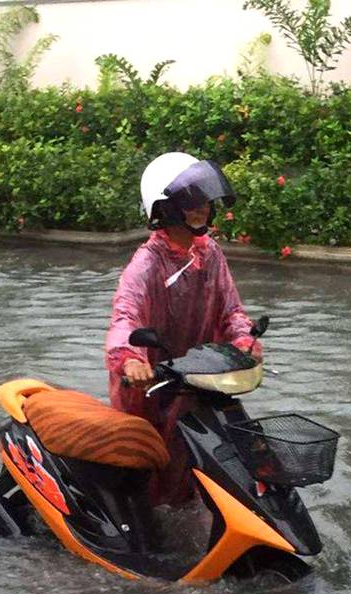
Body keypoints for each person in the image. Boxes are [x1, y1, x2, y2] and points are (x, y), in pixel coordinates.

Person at [104, 152, 261, 506]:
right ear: (166, 208)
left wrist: (243, 339)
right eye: (191, 201)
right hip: (152, 385)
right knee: (151, 476)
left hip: (201, 379)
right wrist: (129, 358)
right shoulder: (148, 262)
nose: (202, 208)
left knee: (204, 466)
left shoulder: (210, 253)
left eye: (204, 200)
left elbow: (231, 309)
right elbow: (125, 317)